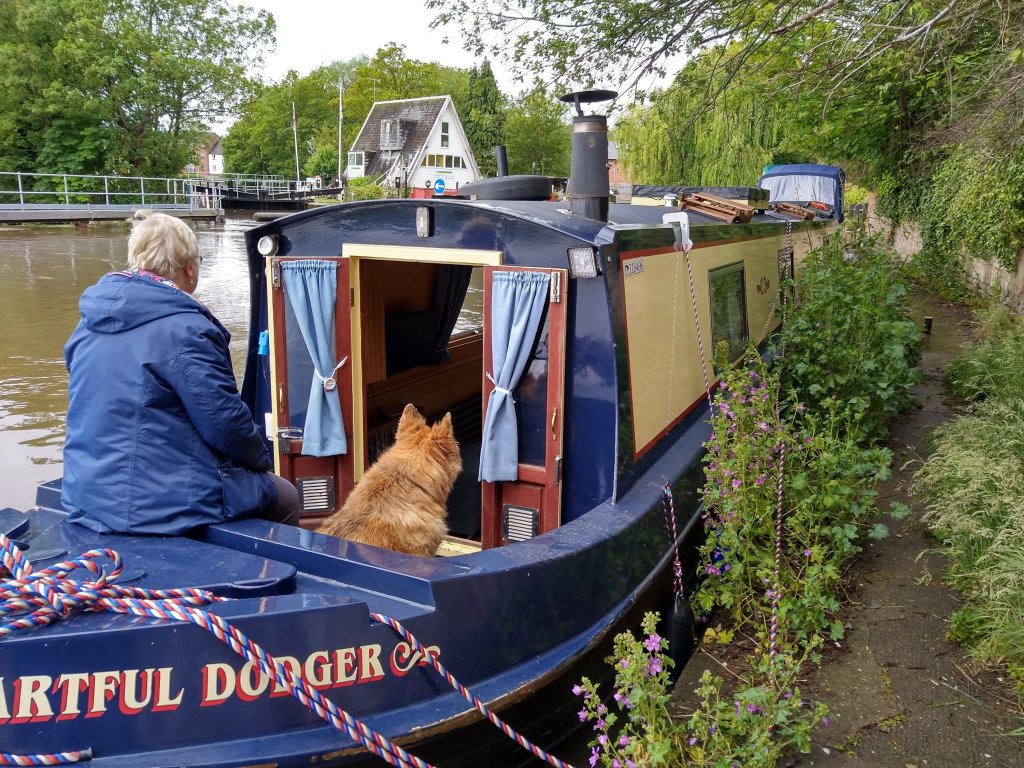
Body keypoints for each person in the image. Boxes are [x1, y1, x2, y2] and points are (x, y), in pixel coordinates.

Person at [62, 210, 301, 534]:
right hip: (156, 505)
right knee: (285, 495)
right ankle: (270, 563)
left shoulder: (87, 323)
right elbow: (226, 424)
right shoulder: (187, 330)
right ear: (190, 267)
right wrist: (262, 462)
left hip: (87, 493)